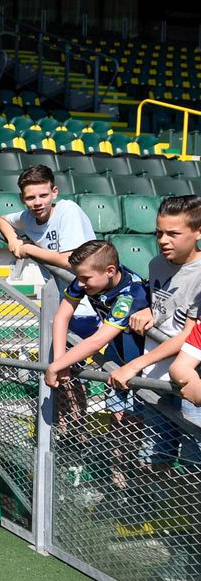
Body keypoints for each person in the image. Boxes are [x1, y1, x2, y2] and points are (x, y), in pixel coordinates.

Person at [108, 196, 201, 469]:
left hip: (188, 377)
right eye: (159, 233)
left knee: (195, 458)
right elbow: (164, 306)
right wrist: (150, 311)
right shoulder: (156, 263)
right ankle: (157, 510)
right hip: (155, 374)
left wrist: (134, 365)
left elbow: (189, 335)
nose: (163, 240)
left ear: (198, 232)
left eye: (173, 234)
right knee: (153, 456)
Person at [0, 163, 99, 334]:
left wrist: (28, 249)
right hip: (65, 303)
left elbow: (69, 260)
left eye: (43, 195)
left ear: (55, 192)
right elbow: (3, 220)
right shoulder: (27, 217)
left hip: (91, 304)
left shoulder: (68, 210)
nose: (37, 203)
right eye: (30, 198)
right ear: (22, 199)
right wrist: (13, 240)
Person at [45, 240, 150, 391]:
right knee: (116, 408)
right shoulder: (88, 278)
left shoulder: (129, 295)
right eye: (78, 277)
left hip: (142, 361)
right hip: (116, 349)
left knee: (141, 411)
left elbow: (97, 342)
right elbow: (62, 317)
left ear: (110, 271)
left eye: (85, 278)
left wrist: (55, 367)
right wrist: (60, 360)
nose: (80, 284)